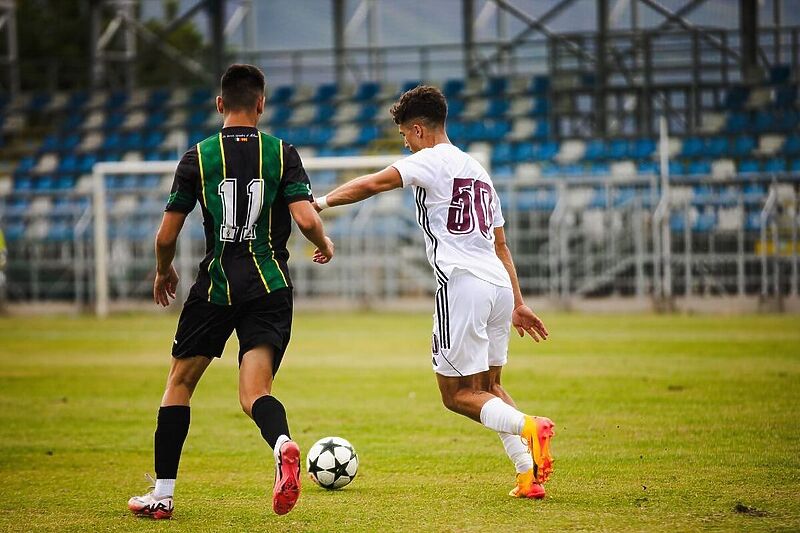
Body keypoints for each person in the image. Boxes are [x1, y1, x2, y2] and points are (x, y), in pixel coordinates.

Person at [313, 85, 554, 499]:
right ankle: (527, 474)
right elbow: (501, 246)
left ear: (420, 130)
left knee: (456, 394)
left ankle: (529, 425)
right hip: (497, 284)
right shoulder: (478, 169)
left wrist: (318, 204)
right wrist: (518, 302)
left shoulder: (428, 161)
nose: (405, 144)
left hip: (462, 282)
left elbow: (371, 185)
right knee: (491, 386)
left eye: (406, 135)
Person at [128, 64, 334, 519]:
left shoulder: (197, 157)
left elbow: (166, 237)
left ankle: (162, 495)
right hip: (269, 284)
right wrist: (324, 244)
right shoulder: (283, 153)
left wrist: (164, 271)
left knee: (179, 384)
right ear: (261, 103)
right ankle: (281, 443)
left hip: (216, 286)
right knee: (254, 392)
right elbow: (304, 219)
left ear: (220, 104)